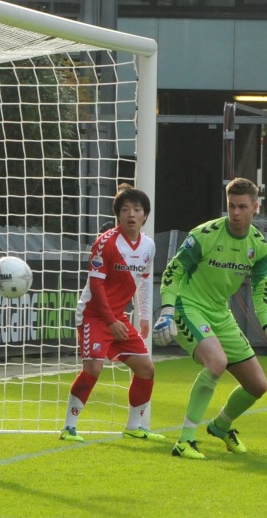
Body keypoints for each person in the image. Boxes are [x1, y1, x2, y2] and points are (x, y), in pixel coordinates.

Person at [153, 177, 267, 460]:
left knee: (258, 386)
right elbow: (173, 271)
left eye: (242, 207)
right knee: (217, 362)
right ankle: (185, 439)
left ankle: (221, 426)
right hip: (187, 306)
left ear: (255, 207)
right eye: (231, 206)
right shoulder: (205, 235)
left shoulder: (259, 246)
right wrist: (167, 311)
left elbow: (261, 291)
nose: (235, 213)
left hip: (219, 313)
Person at [59, 183, 166, 443]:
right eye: (125, 209)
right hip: (94, 315)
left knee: (146, 369)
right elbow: (96, 285)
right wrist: (110, 321)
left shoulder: (148, 246)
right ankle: (69, 426)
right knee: (94, 368)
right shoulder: (105, 242)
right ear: (118, 215)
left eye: (137, 209)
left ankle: (134, 425)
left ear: (145, 215)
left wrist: (144, 316)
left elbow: (144, 280)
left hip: (118, 317)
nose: (131, 214)